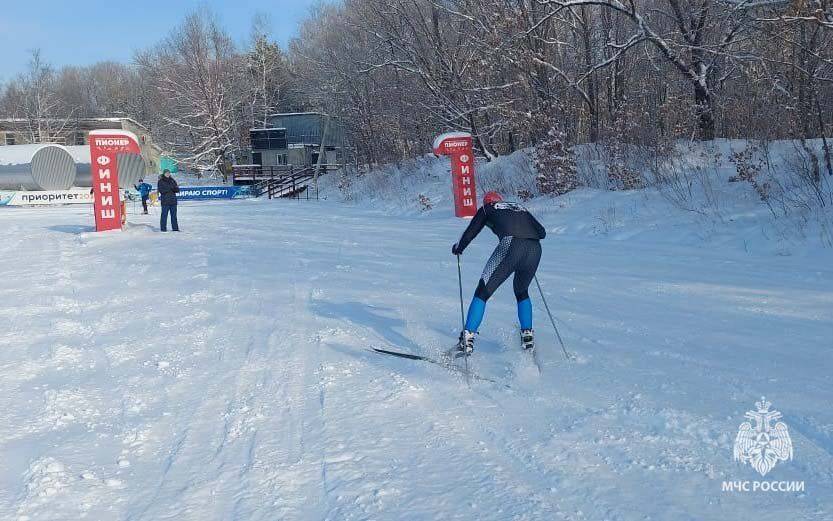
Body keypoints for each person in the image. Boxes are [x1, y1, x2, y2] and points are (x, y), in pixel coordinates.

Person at [452, 191, 546, 354]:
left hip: (511, 245)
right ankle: (527, 336)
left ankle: (467, 339)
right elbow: (542, 232)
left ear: (487, 201)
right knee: (522, 291)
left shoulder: (487, 208)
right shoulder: (519, 207)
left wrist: (459, 248)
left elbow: (471, 231)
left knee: (483, 291)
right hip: (535, 249)